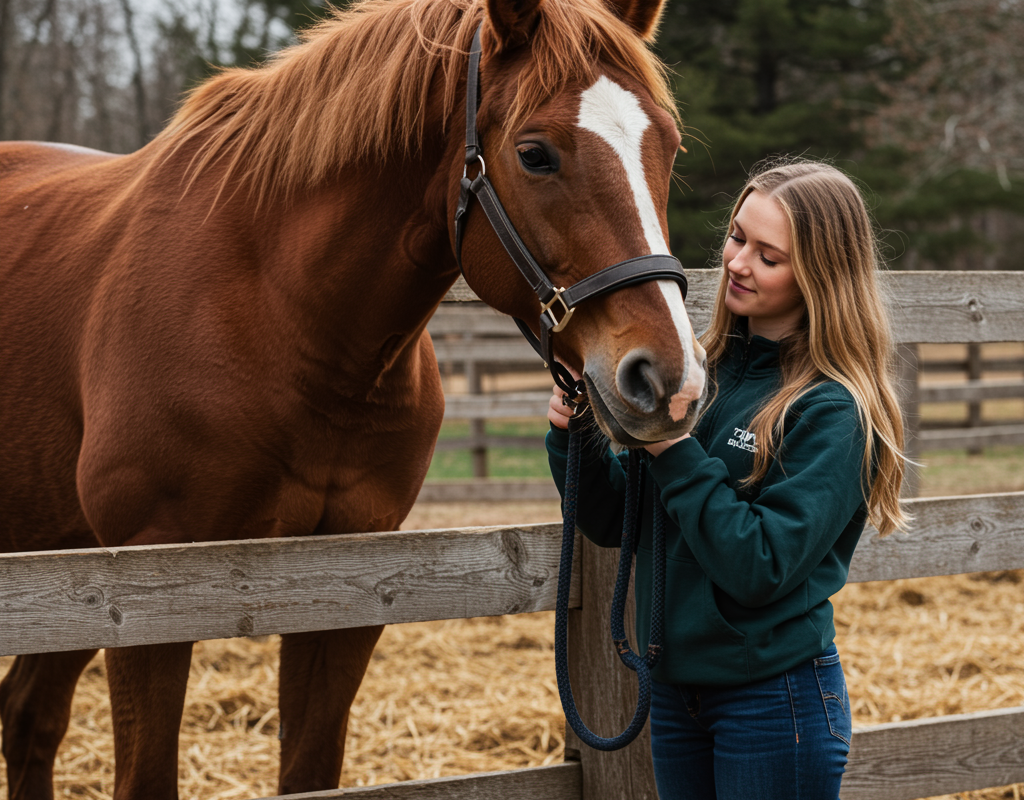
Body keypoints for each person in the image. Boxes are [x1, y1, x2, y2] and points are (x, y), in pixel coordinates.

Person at [546, 158, 908, 800]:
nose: (738, 263)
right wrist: (574, 436)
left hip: (774, 702)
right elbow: (612, 523)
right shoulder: (699, 377)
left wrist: (673, 448)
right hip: (677, 694)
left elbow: (761, 565)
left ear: (819, 277)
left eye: (770, 257)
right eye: (739, 237)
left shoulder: (832, 410)